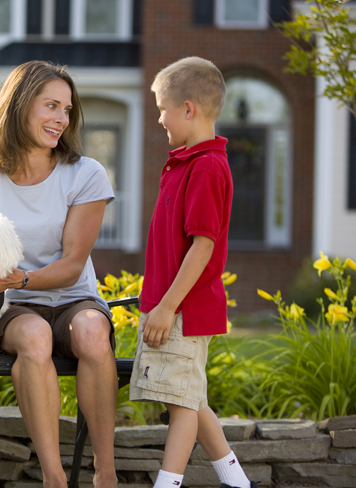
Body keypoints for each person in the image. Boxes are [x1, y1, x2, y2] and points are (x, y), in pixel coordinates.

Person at [0, 60, 118, 488]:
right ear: (21, 106)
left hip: (68, 295)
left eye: (67, 109)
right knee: (34, 337)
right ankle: (54, 477)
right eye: (51, 106)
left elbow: (71, 266)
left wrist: (21, 277)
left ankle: (105, 471)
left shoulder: (85, 174)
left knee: (93, 334)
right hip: (8, 304)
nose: (61, 119)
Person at [130, 56, 256, 488]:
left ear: (189, 109)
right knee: (191, 398)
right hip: (168, 305)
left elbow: (203, 246)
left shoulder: (205, 167)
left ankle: (168, 484)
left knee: (180, 405)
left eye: (164, 108)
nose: (160, 118)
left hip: (180, 308)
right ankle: (237, 482)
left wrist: (166, 308)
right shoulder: (184, 162)